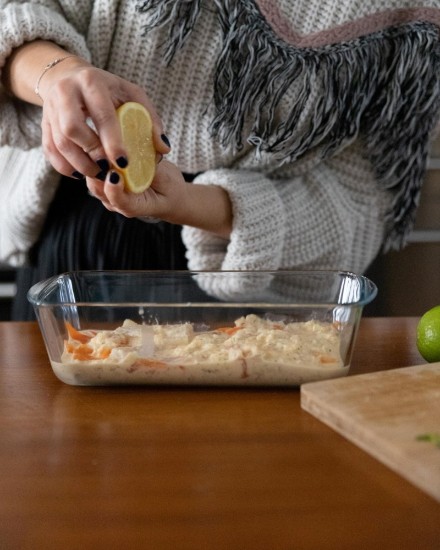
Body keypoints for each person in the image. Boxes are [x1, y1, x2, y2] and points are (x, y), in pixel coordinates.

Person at [1, 0, 440, 320]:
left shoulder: (412, 14)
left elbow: (359, 202)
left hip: (262, 281)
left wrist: (189, 202)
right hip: (79, 238)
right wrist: (58, 74)